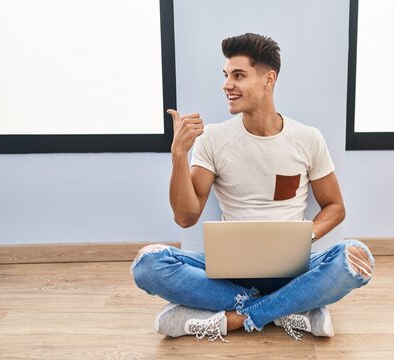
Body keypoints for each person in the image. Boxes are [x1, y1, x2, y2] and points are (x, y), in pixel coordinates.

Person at [131, 33, 374, 342]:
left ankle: (235, 317)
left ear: (268, 79)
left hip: (292, 267)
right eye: (226, 75)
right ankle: (292, 306)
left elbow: (335, 207)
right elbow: (185, 216)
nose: (227, 84)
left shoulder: (307, 138)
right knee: (147, 264)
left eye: (238, 75)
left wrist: (305, 236)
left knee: (356, 256)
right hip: (229, 268)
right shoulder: (214, 139)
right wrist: (179, 155)